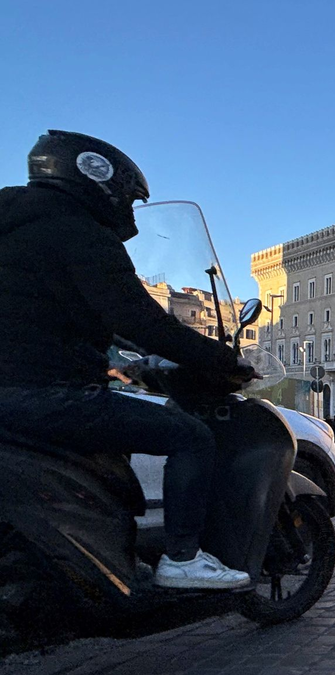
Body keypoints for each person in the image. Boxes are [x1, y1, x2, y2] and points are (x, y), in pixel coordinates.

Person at [0, 131, 253, 589]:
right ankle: (182, 557)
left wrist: (119, 361)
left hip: (14, 395)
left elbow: (53, 313)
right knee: (190, 436)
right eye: (130, 201)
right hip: (45, 395)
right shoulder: (77, 231)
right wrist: (222, 361)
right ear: (101, 183)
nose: (131, 216)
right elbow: (142, 320)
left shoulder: (17, 227)